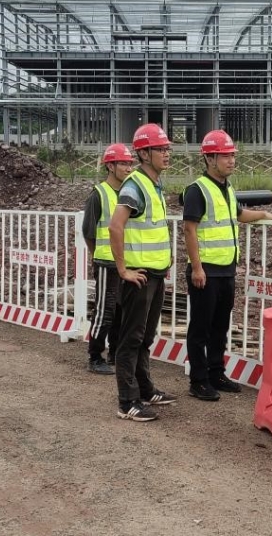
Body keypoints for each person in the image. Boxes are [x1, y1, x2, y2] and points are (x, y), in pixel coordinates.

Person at [183, 129, 272, 401]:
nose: (231, 160)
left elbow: (238, 215)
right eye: (225, 156)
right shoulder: (197, 190)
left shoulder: (227, 189)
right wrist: (197, 268)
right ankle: (198, 380)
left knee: (220, 327)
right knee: (200, 328)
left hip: (226, 270)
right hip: (206, 271)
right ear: (210, 158)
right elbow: (190, 230)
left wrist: (264, 214)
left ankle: (216, 372)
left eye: (233, 155)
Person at [108, 123, 179, 422]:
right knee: (131, 338)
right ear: (144, 153)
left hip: (155, 274)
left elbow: (152, 230)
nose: (166, 153)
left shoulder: (154, 185)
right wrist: (122, 269)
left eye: (167, 148)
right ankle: (128, 401)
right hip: (138, 276)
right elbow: (115, 225)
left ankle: (146, 388)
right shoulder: (135, 185)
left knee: (146, 335)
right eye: (160, 149)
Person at [80, 143, 135, 375]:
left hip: (126, 263)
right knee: (105, 310)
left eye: (130, 163)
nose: (128, 168)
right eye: (123, 163)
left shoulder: (128, 193)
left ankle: (114, 352)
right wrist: (98, 257)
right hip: (106, 263)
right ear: (110, 166)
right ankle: (95, 356)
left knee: (122, 310)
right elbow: (88, 232)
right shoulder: (99, 194)